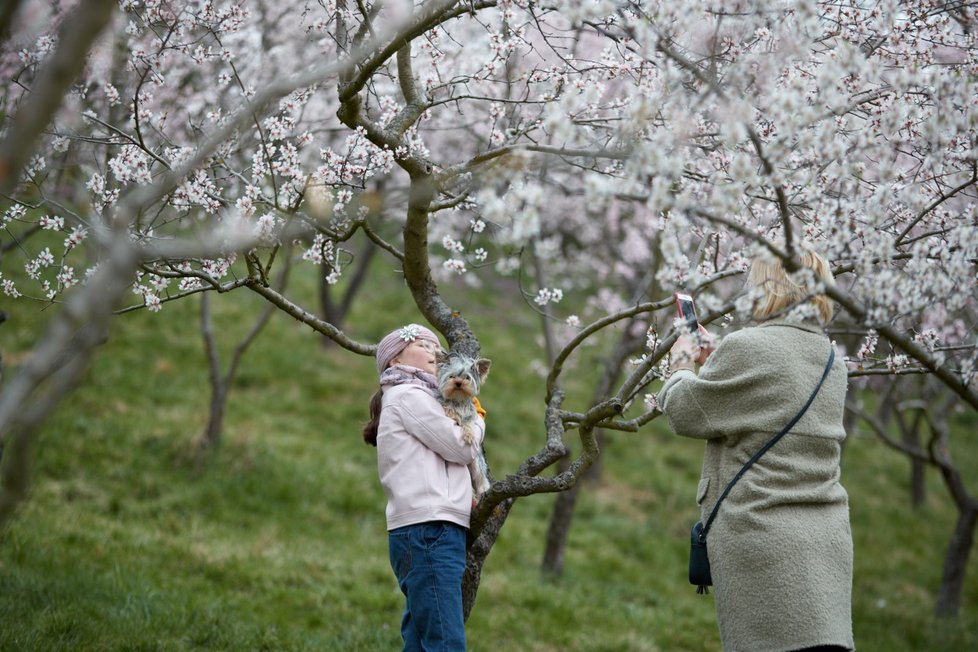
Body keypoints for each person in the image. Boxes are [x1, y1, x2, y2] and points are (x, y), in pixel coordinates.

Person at [658, 250, 854, 652]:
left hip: (764, 540)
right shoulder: (832, 359)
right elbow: (768, 406)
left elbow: (684, 411)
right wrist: (719, 366)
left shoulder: (749, 347)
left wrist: (681, 361)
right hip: (827, 541)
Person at [362, 323, 485, 651]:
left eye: (435, 346)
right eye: (421, 344)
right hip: (429, 530)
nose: (433, 351)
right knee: (445, 643)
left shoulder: (422, 397)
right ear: (394, 361)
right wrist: (476, 416)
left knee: (420, 641)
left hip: (427, 529)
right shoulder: (408, 395)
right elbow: (460, 446)